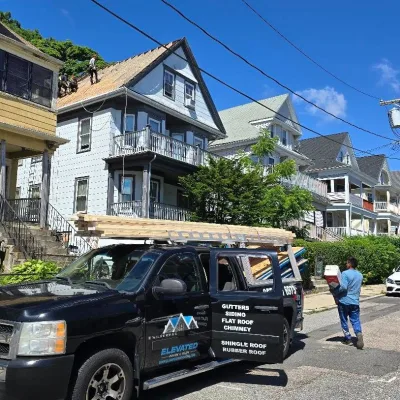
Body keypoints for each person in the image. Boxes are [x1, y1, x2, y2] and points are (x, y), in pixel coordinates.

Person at [329, 257, 364, 349]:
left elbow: (343, 287)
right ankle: (358, 333)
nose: (346, 264)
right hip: (355, 301)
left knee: (344, 320)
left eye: (347, 263)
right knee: (355, 320)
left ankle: (348, 338)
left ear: (349, 264)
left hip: (344, 301)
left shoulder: (345, 273)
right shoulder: (360, 275)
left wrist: (334, 290)